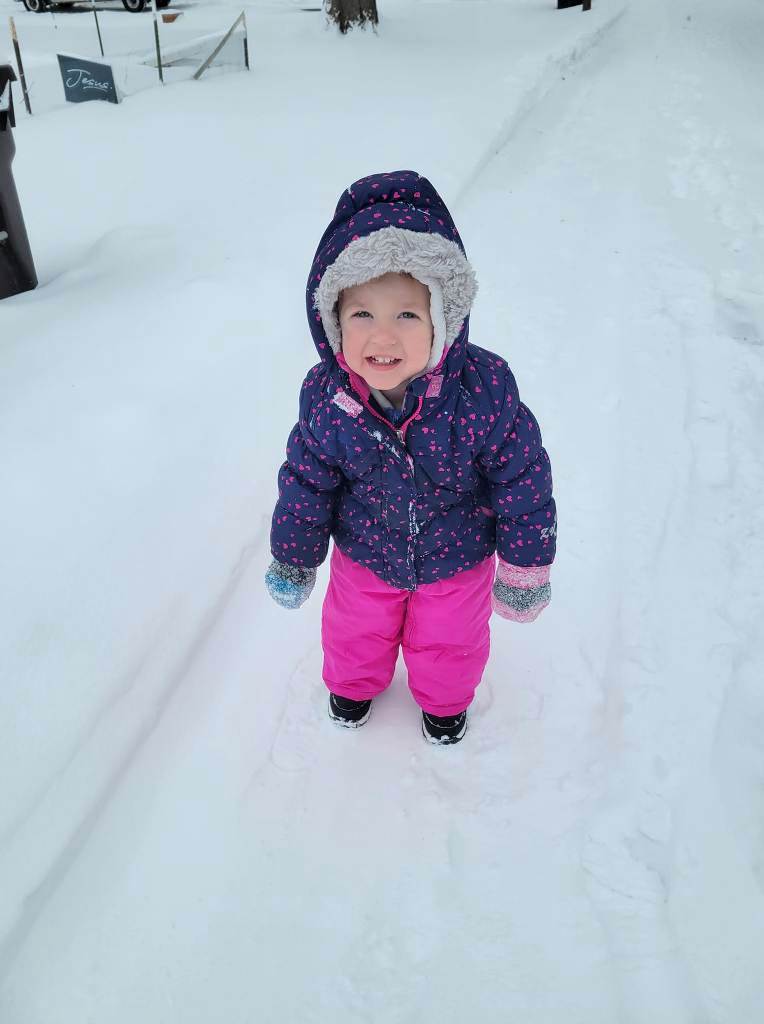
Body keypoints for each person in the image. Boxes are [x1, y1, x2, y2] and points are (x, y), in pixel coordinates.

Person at [265, 170, 556, 745]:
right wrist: (294, 557)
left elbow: (524, 481)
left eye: (406, 315)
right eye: (362, 315)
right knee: (354, 629)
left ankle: (444, 703)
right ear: (332, 322)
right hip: (365, 553)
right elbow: (306, 482)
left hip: (459, 557)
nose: (383, 337)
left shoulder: (483, 390)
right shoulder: (329, 398)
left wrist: (523, 567)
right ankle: (352, 686)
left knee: (451, 640)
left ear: (442, 320)